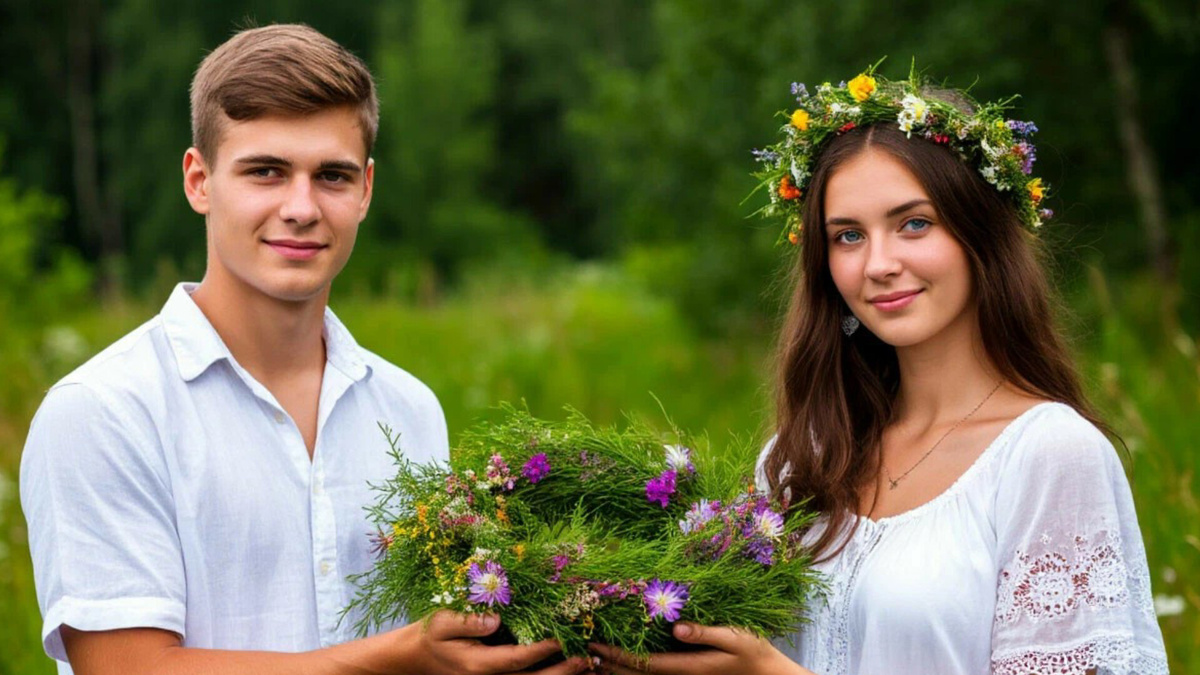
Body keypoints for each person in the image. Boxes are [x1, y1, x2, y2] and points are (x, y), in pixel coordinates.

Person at [19, 23, 591, 675]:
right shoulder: (103, 412)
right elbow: (127, 667)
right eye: (266, 171)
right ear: (199, 180)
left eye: (332, 176)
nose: (301, 206)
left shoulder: (409, 409)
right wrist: (398, 657)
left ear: (367, 190)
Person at [589, 70, 1169, 674]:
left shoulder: (1050, 455)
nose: (879, 264)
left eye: (914, 223)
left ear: (981, 235)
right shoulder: (798, 459)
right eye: (847, 236)